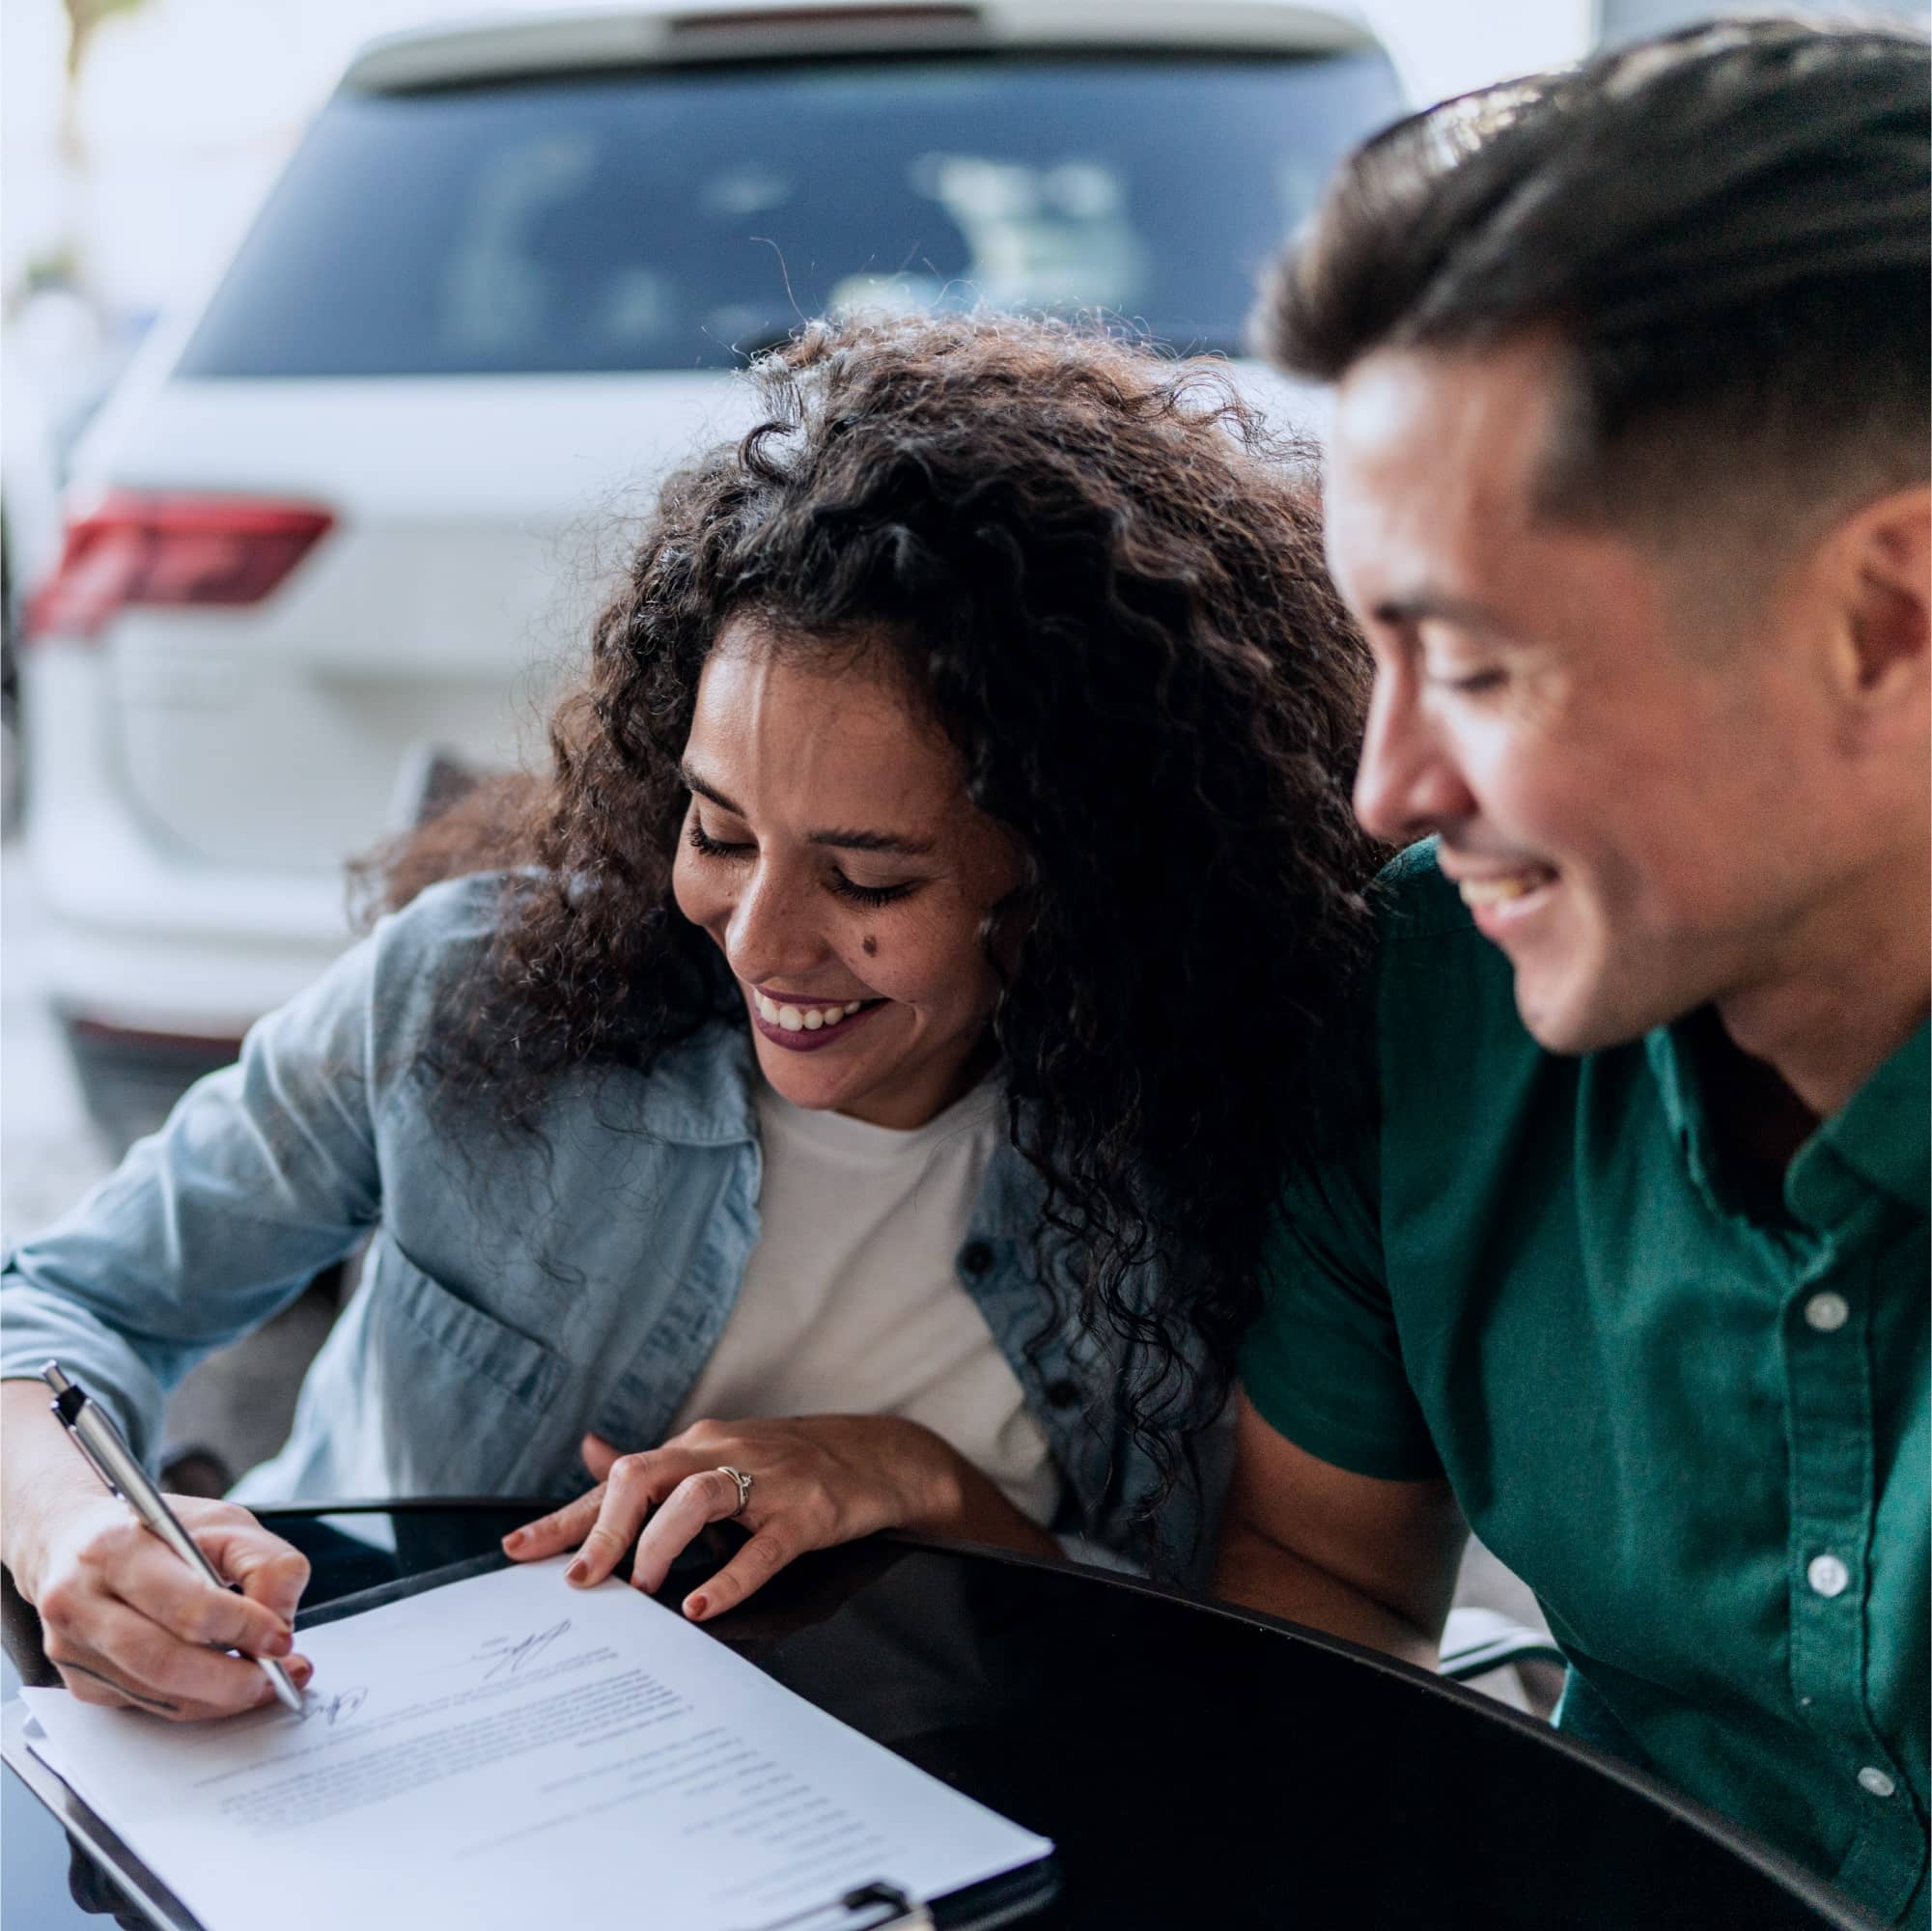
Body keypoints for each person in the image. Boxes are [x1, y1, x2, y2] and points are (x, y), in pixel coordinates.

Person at [1, 310, 1379, 1722]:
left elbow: (1235, 1663)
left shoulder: (1217, 1124)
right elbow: (51, 1307)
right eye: (718, 834)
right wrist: (77, 1530)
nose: (761, 940)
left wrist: (929, 1490)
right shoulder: (464, 990)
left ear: (1082, 869)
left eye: (867, 876)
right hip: (360, 1761)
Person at [1213, 18, 1928, 1923]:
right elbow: (1321, 1584)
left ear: (1885, 618)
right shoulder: (1425, 1003)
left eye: (1475, 664)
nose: (1385, 791)